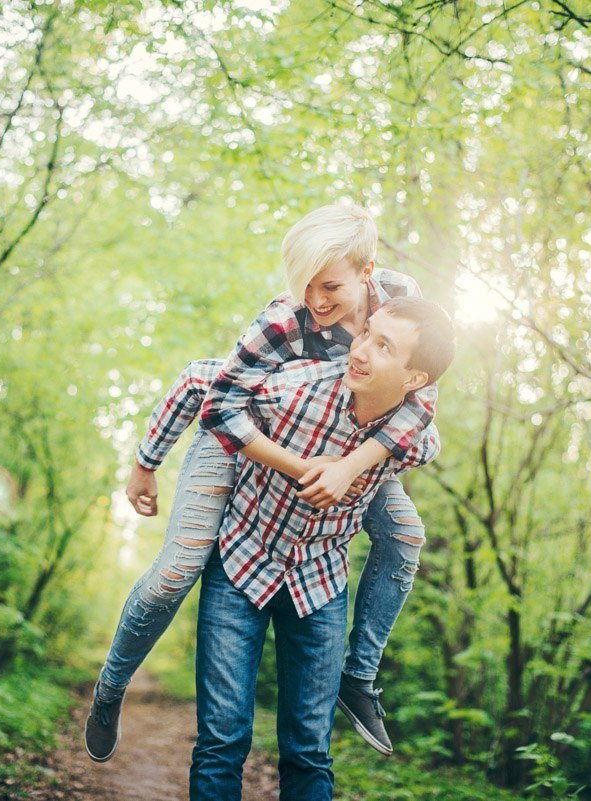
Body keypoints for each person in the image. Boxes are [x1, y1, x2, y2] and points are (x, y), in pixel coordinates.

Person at [87, 205, 437, 762]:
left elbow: (422, 402)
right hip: (241, 439)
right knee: (176, 572)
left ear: (368, 271)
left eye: (330, 287)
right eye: (304, 285)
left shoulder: (401, 307)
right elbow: (211, 391)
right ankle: (111, 687)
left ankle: (360, 678)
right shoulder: (283, 320)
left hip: (348, 448)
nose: (316, 301)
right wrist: (146, 462)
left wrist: (347, 468)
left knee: (405, 534)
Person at [190, 298, 454, 800]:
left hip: (319, 584)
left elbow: (425, 433)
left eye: (383, 347)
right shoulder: (296, 389)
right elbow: (214, 401)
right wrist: (304, 466)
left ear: (414, 379)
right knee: (221, 742)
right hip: (241, 565)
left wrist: (353, 465)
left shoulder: (411, 438)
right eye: (366, 333)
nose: (359, 351)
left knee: (309, 753)